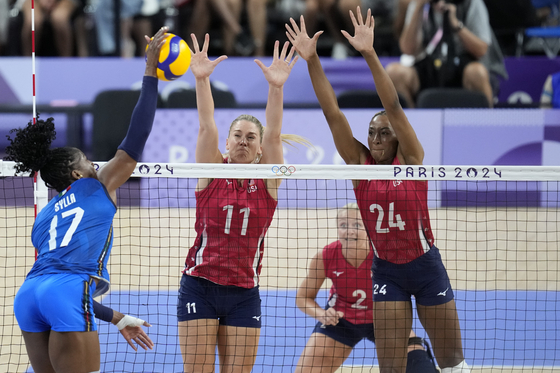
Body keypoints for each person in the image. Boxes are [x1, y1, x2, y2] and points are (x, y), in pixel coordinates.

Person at [286, 7, 470, 373]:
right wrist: (311, 60)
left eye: (384, 132)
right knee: (391, 367)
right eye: (371, 132)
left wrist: (369, 54)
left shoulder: (413, 159)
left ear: (398, 137)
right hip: (386, 272)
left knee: (452, 363)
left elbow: (393, 105)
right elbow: (332, 112)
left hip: (426, 266)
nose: (376, 138)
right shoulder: (360, 166)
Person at [8, 26, 168, 373]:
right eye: (87, 160)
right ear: (78, 174)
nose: (95, 163)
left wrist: (118, 317)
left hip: (28, 295)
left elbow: (58, 281)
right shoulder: (97, 185)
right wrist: (150, 72)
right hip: (66, 293)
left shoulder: (45, 216)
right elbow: (136, 136)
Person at [177, 33, 306, 373]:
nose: (244, 142)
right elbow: (207, 126)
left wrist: (276, 87)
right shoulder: (211, 170)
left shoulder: (268, 181)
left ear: (260, 148)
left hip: (244, 292)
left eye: (251, 138)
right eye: (238, 136)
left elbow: (275, 132)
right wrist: (201, 79)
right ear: (229, 142)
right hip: (199, 286)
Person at [295, 203, 438, 373]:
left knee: (421, 369)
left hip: (384, 319)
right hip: (340, 321)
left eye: (357, 225)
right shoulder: (325, 256)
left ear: (370, 228)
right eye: (343, 225)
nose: (349, 230)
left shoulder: (385, 255)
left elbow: (416, 288)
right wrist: (322, 314)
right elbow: (303, 298)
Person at [385, 0, 507, 108]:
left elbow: (481, 50)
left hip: (462, 66)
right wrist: (418, 7)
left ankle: (487, 124)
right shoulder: (420, 4)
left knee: (477, 72)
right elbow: (407, 49)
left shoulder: (471, 3)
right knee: (394, 73)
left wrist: (456, 25)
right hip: (429, 66)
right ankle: (410, 129)